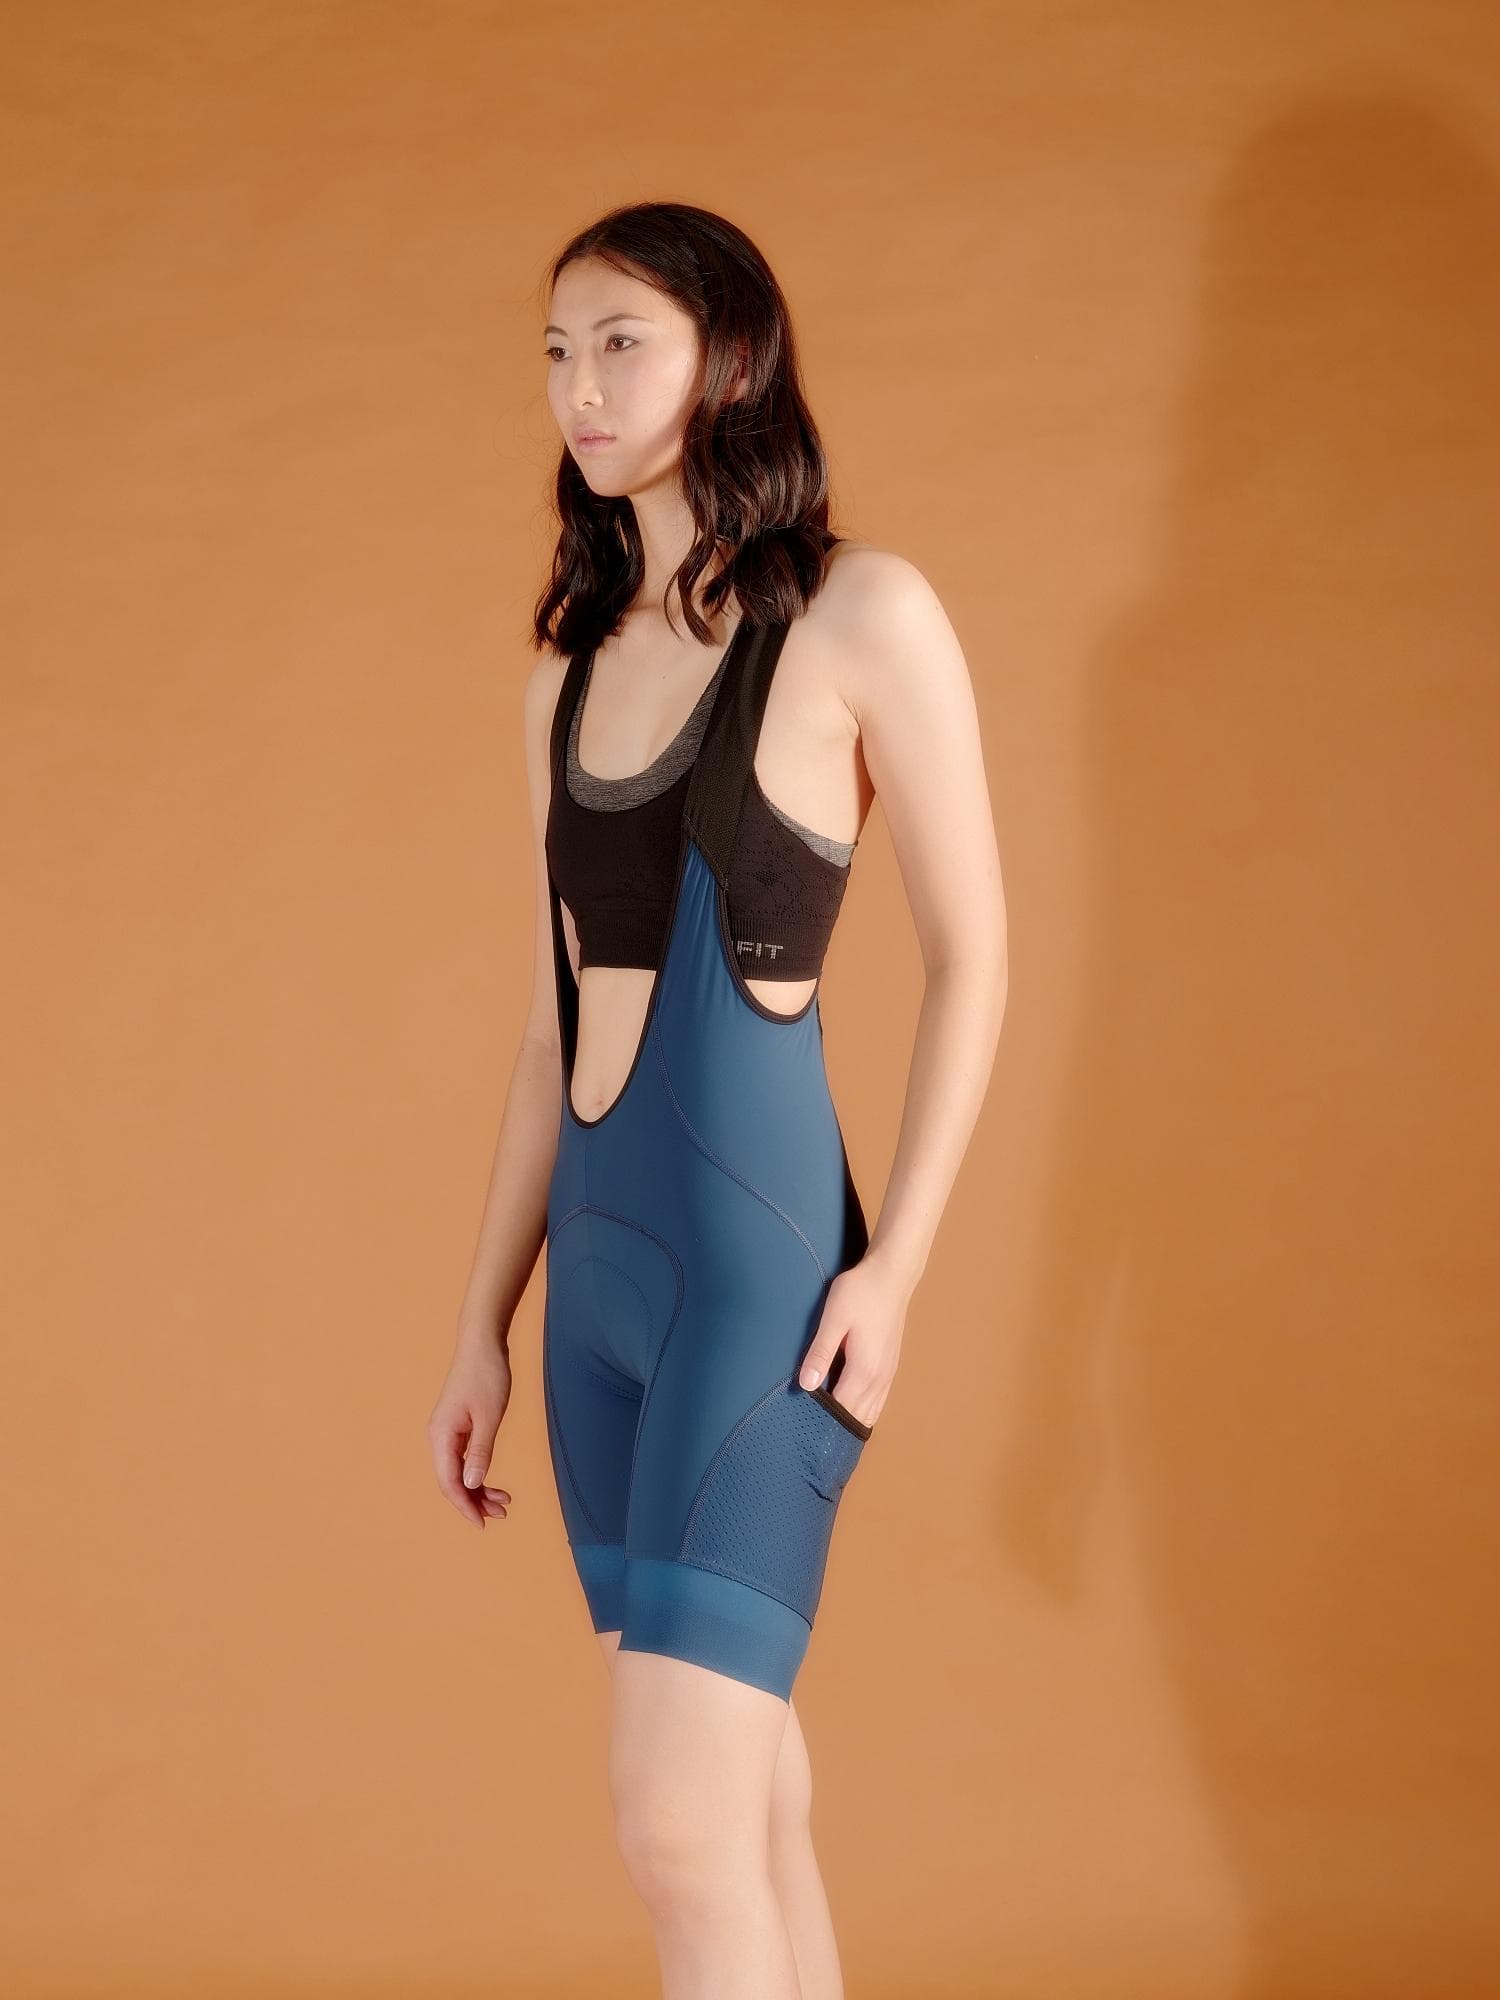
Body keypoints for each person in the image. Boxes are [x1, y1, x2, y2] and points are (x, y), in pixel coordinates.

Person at [428, 201, 1007, 1999]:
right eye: (556, 352)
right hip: (599, 1305)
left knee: (678, 1829)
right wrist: (482, 1327)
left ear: (729, 357)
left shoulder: (859, 615)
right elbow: (551, 1040)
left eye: (623, 343)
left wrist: (897, 1271)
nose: (581, 389)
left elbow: (977, 958)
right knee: (751, 1806)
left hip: (759, 1290)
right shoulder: (563, 678)